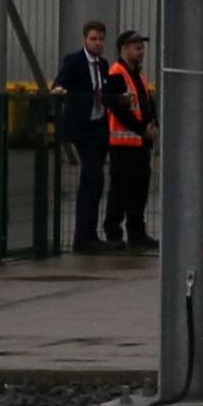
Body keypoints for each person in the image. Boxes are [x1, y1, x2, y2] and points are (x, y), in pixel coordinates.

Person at [56, 20, 115, 254]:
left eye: (101, 39)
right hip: (82, 127)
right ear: (85, 40)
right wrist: (60, 90)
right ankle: (82, 236)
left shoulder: (103, 65)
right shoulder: (74, 61)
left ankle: (89, 233)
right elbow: (60, 82)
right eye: (93, 39)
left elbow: (104, 91)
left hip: (98, 125)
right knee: (92, 175)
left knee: (95, 180)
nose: (98, 43)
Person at [102, 29, 156, 252]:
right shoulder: (116, 74)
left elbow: (147, 105)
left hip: (140, 144)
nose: (141, 52)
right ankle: (114, 233)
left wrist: (153, 125)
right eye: (137, 47)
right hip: (123, 144)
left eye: (142, 47)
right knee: (120, 190)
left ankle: (137, 232)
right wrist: (143, 128)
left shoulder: (139, 76)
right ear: (124, 49)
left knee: (139, 190)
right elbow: (119, 110)